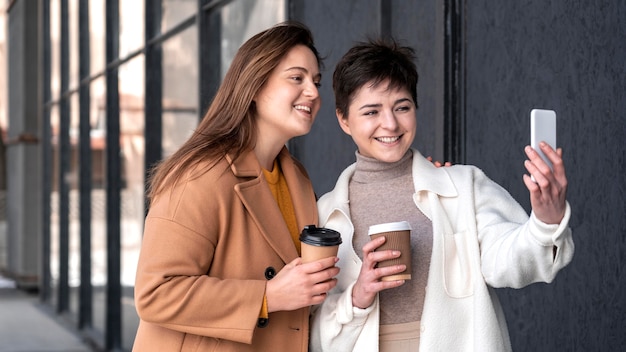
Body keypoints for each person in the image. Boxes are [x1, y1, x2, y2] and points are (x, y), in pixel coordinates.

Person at [309, 38, 574, 352]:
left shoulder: (461, 185)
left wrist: (546, 219)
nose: (390, 123)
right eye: (371, 111)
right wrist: (358, 296)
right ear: (343, 119)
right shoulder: (326, 214)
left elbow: (508, 262)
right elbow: (316, 334)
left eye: (402, 107)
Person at [132, 21, 340, 352]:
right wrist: (268, 296)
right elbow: (155, 292)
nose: (314, 93)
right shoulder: (201, 175)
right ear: (255, 86)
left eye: (315, 82)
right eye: (296, 78)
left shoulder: (296, 179)